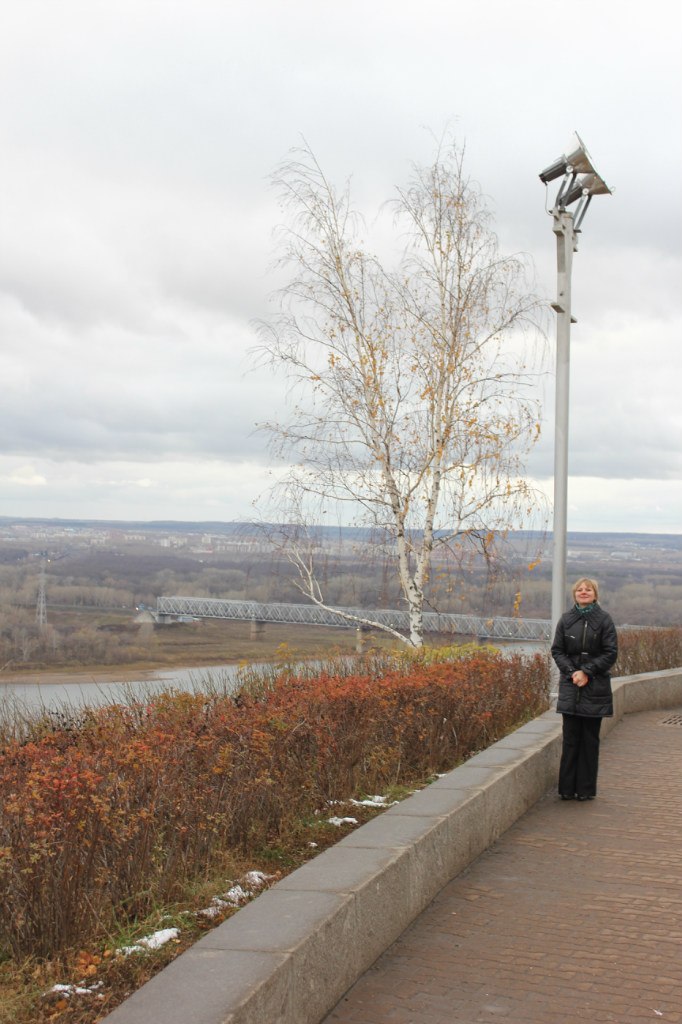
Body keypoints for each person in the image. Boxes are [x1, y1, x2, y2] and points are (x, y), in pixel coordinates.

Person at [551, 577, 618, 801]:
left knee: (589, 741)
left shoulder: (605, 620)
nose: (583, 592)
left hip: (595, 689)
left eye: (588, 589)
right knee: (570, 740)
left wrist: (587, 672)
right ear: (574, 594)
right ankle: (566, 789)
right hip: (571, 688)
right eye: (579, 589)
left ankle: (586, 790)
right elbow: (557, 650)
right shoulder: (566, 620)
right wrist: (572, 673)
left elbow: (610, 653)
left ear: (595, 594)